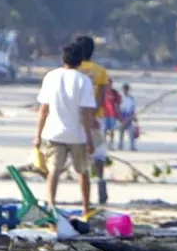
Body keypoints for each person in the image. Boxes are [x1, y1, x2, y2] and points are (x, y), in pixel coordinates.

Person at [34, 42, 97, 212]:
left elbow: (43, 109)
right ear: (80, 60)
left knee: (54, 170)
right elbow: (85, 113)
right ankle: (86, 207)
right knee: (82, 172)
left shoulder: (51, 77)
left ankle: (51, 205)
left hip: (53, 132)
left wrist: (38, 135)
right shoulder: (83, 81)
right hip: (77, 134)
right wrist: (90, 138)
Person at [74, 34, 111, 205]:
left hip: (76, 117)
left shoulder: (73, 70)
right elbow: (101, 98)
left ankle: (84, 191)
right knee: (99, 154)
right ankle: (100, 181)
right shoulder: (100, 71)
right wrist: (93, 115)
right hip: (96, 117)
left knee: (80, 154)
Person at [117, 83, 139, 150]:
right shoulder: (120, 98)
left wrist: (134, 116)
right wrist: (119, 117)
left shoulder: (131, 98)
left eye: (127, 89)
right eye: (125, 89)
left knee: (131, 133)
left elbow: (133, 108)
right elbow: (118, 108)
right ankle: (120, 146)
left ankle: (132, 146)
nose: (126, 90)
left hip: (129, 118)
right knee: (121, 133)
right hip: (122, 117)